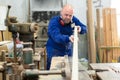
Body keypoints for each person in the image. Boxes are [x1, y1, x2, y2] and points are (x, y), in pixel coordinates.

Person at [46, 4, 87, 70]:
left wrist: (81, 29)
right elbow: (56, 37)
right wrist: (68, 38)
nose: (68, 17)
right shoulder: (54, 22)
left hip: (68, 50)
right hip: (55, 50)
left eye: (70, 15)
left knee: (69, 69)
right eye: (66, 15)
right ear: (61, 13)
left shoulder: (73, 20)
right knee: (53, 71)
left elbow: (85, 28)